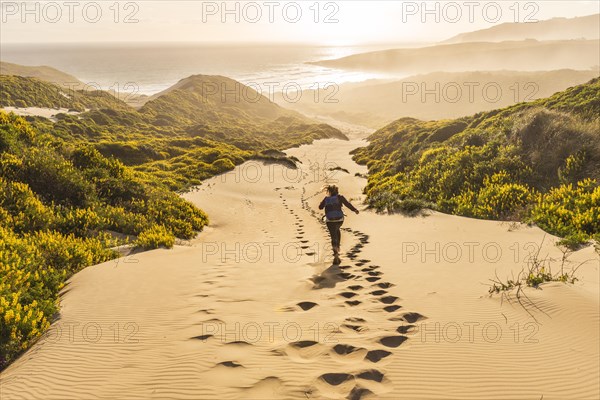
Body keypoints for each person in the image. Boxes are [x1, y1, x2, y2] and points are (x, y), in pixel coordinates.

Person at [318, 185, 359, 262]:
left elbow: (320, 207)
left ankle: (335, 253)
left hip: (330, 220)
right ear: (337, 191)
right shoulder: (340, 197)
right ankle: (338, 246)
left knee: (333, 235)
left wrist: (323, 202)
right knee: (337, 229)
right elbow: (347, 204)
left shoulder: (326, 199)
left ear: (329, 191)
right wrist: (355, 210)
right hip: (339, 219)